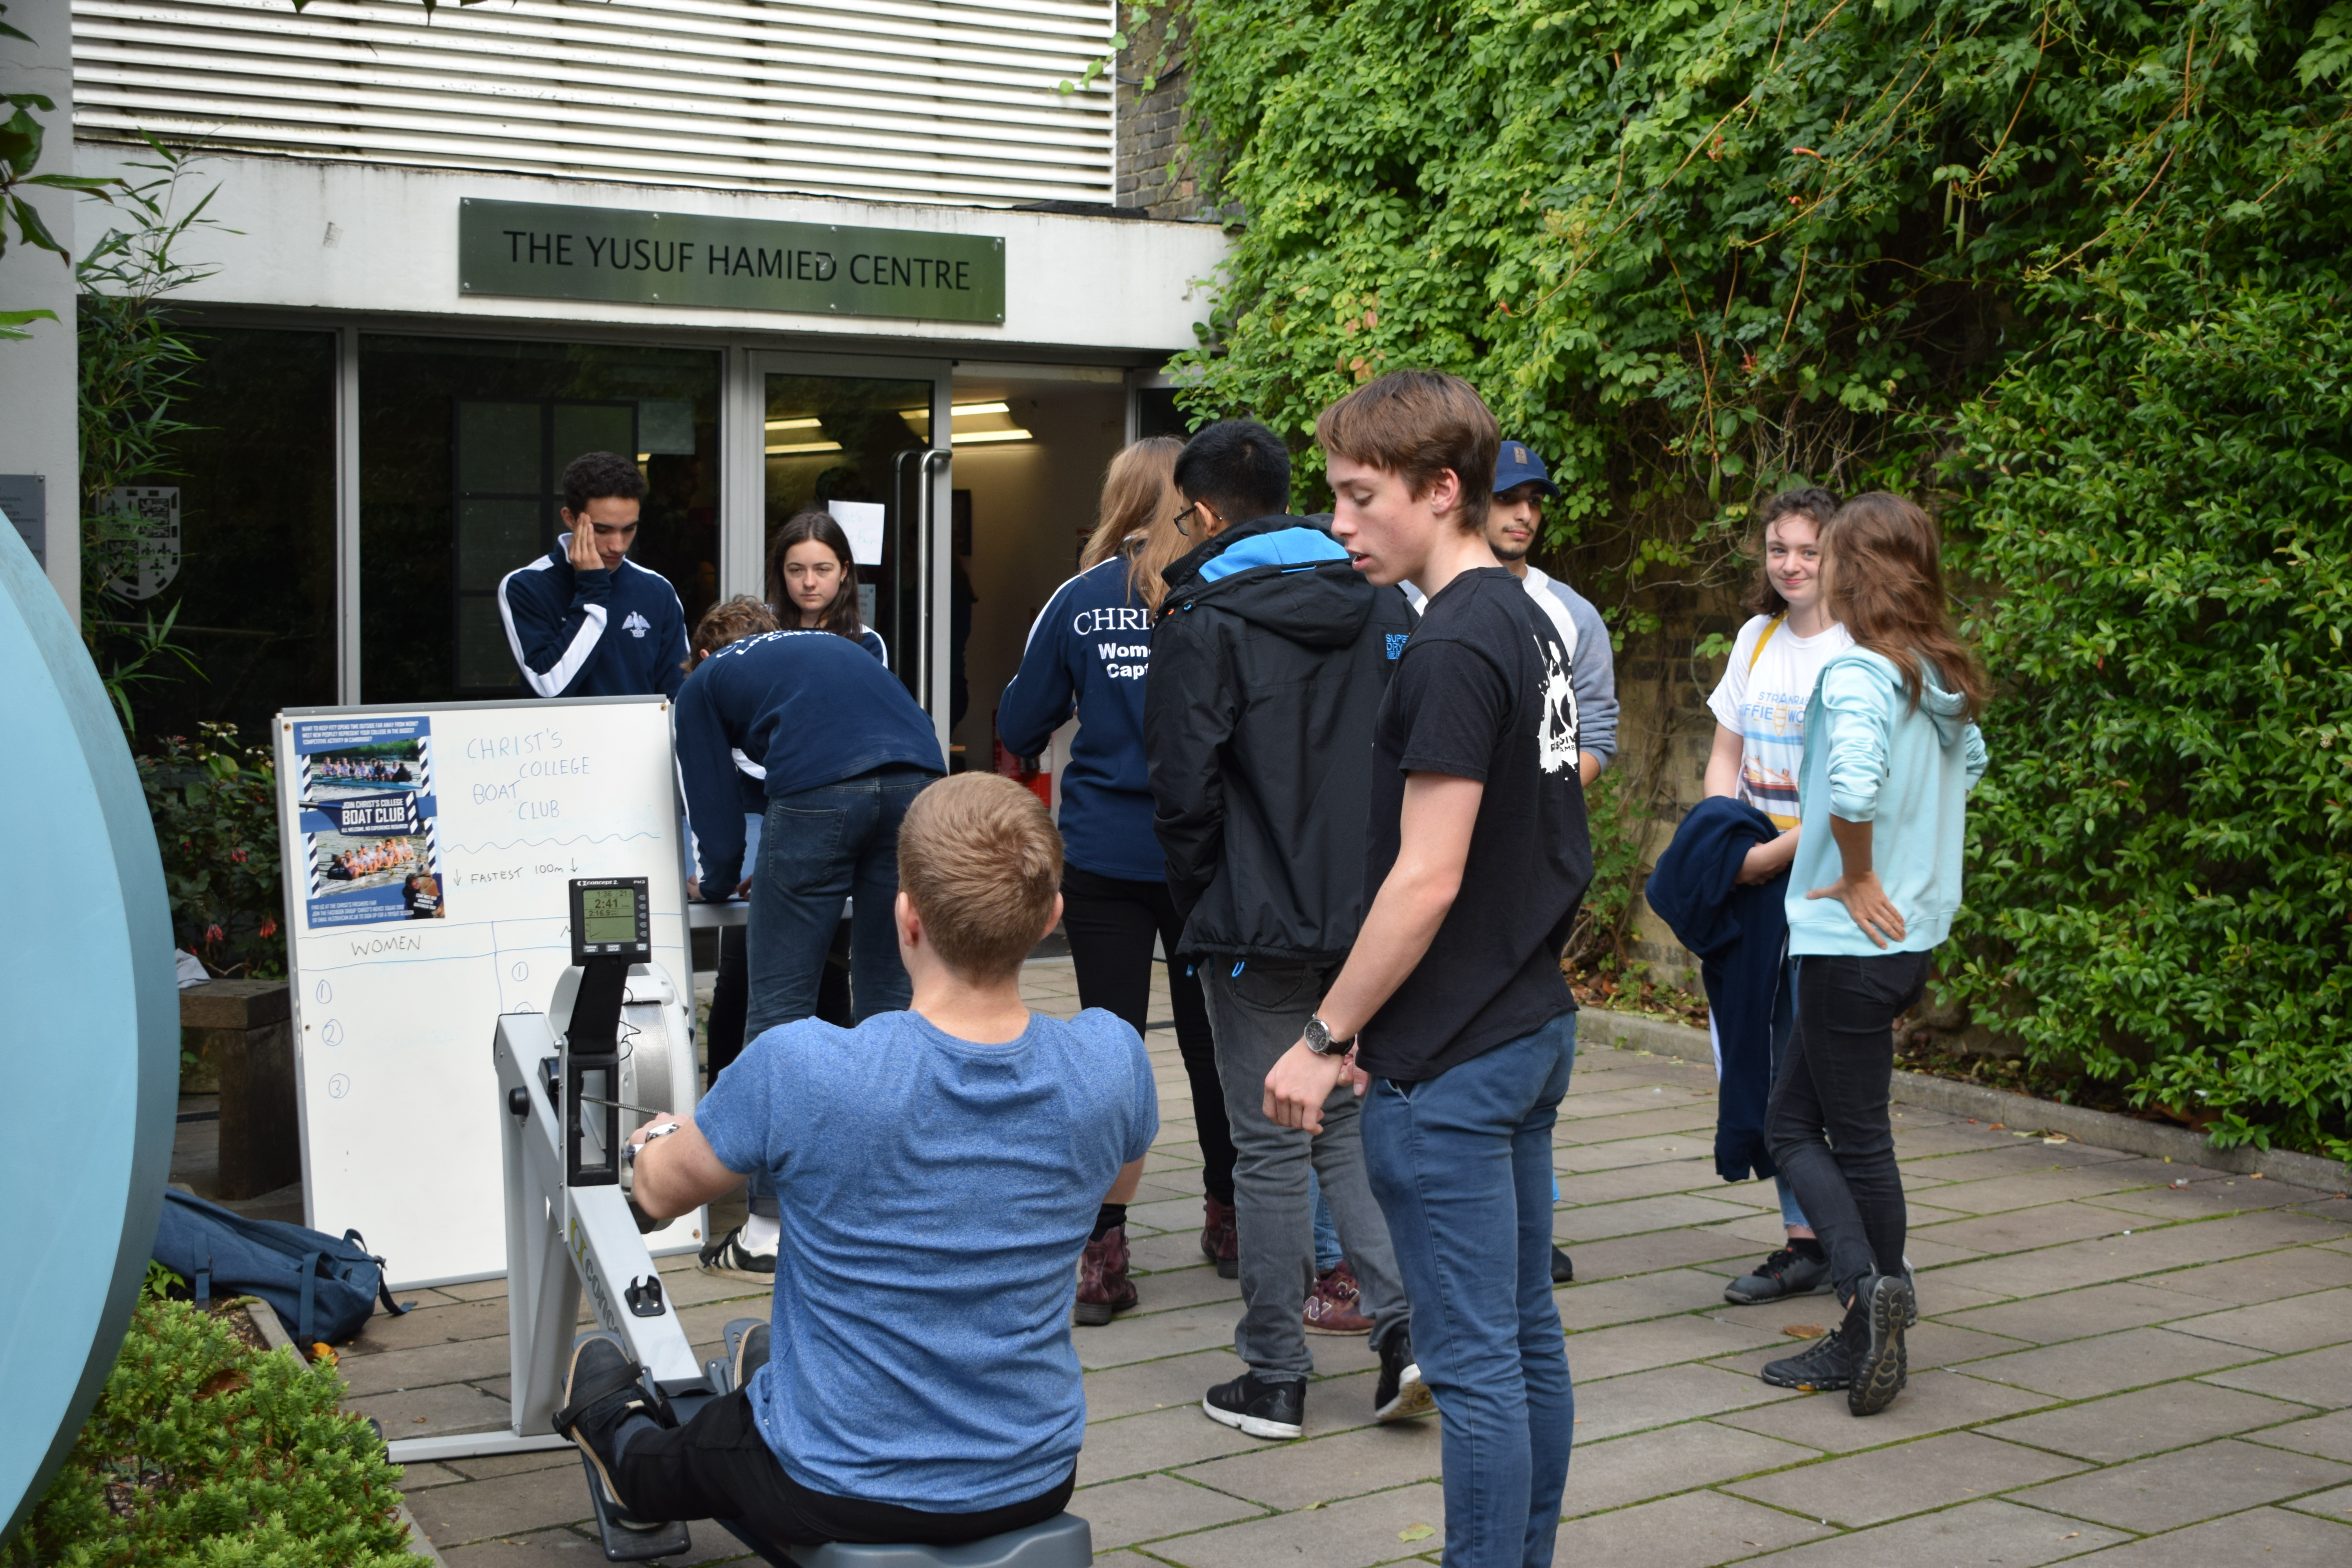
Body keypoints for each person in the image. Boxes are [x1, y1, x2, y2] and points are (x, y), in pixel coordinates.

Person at [558, 774, 1158, 1552]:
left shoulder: (806, 1066)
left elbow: (660, 1190)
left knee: (680, 1455)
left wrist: (661, 1138)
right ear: (1051, 916)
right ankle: (784, 1374)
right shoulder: (1112, 1060)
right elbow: (1113, 1192)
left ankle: (623, 1454)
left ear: (906, 916)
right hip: (1035, 1470)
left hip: (836, 1484)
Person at [1265, 370, 1588, 1568]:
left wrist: (1326, 1034)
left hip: (1457, 1058)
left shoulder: (1452, 640)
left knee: (1472, 1365)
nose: (1339, 522)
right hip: (1520, 1024)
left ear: (1440, 490)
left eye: (1359, 498)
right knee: (1523, 1339)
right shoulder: (1521, 615)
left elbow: (1428, 874)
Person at [1145, 417, 1426, 1442]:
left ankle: (1274, 1378)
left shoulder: (1200, 617)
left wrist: (1200, 906)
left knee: (1270, 1146)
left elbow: (1178, 792)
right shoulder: (1385, 604)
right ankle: (1403, 1338)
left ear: (1208, 514)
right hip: (1371, 917)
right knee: (1344, 1123)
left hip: (1251, 922)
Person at [1757, 492, 1987, 1416]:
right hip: (1907, 941)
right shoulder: (1940, 674)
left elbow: (1852, 789)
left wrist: (1855, 873)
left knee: (1812, 1134)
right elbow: (1963, 774)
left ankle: (1868, 1289)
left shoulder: (1860, 674)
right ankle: (1866, 1317)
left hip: (1850, 940)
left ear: (1858, 571)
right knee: (1820, 1126)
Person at [998, 436, 1235, 1322]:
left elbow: (1021, 722)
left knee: (1110, 1049)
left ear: (1121, 498)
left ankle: (1102, 1254)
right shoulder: (1223, 592)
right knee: (1216, 1042)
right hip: (1206, 857)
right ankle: (1234, 1220)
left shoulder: (1081, 599)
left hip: (1102, 854)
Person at [1403, 435, 1617, 1287]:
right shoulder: (1417, 604)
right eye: (1511, 498)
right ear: (1470, 500)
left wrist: (1523, 799)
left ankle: (1529, 1228)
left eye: (1537, 501)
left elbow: (1589, 737)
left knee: (1511, 1045)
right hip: (1434, 854)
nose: (1525, 514)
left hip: (1515, 869)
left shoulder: (1571, 615)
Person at [674, 617, 946, 1278]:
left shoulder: (700, 686)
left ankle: (767, 1225)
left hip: (821, 791)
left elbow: (714, 808)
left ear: (701, 655)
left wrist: (715, 881)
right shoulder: (830, 646)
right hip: (920, 780)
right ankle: (889, 1210)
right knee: (891, 1005)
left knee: (778, 1011)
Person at [1697, 486, 1853, 1306]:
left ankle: (1846, 1236)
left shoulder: (1859, 651)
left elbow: (1847, 798)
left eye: (1809, 551)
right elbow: (1726, 751)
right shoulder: (1755, 638)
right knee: (1758, 1058)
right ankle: (1804, 1237)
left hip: (1821, 880)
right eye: (1778, 549)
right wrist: (1728, 833)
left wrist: (1765, 859)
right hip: (1754, 872)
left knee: (1813, 1063)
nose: (1791, 565)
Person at [498, 451, 690, 699]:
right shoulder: (525, 587)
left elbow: (679, 695)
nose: (618, 546)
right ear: (570, 519)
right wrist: (593, 590)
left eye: (629, 529)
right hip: (560, 737)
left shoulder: (657, 589)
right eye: (602, 530)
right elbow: (551, 687)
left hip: (641, 737)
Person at [767, 509, 889, 662]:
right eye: (796, 570)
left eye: (822, 570)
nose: (809, 582)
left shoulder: (866, 643)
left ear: (844, 571)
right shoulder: (761, 631)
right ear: (782, 571)